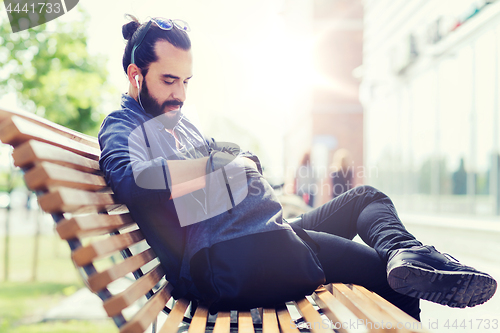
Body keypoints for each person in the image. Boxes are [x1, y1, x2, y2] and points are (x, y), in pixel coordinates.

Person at [98, 15, 497, 321]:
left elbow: (234, 159)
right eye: (169, 81)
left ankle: (408, 253)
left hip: (263, 235)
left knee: (364, 199)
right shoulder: (124, 125)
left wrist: (229, 163)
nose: (180, 94)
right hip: (236, 257)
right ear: (136, 75)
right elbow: (133, 182)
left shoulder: (177, 124)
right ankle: (410, 264)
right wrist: (219, 164)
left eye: (186, 81)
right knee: (390, 281)